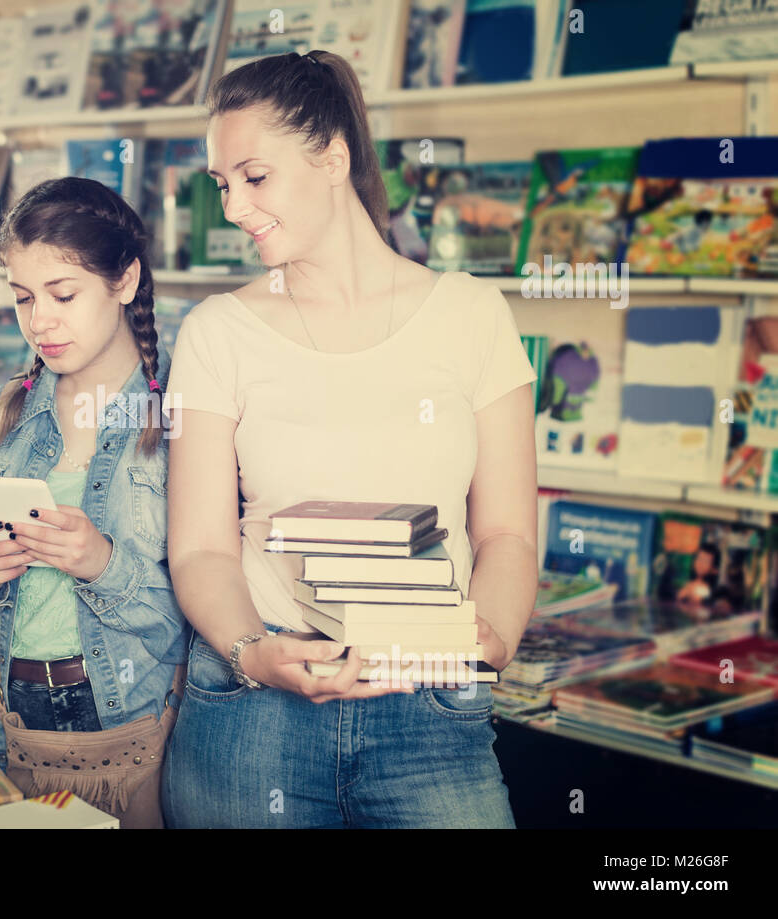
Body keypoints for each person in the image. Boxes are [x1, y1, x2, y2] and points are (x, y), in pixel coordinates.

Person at [162, 50, 539, 828]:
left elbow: (505, 531)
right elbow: (199, 546)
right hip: (254, 708)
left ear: (332, 156)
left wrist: (490, 637)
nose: (234, 207)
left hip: (428, 705)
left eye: (254, 177)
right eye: (222, 184)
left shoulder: (471, 315)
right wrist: (250, 652)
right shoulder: (217, 332)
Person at [0, 177, 187, 822]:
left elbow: (209, 629)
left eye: (64, 294)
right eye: (23, 298)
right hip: (3, 725)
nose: (41, 321)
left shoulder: (184, 417)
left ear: (125, 280)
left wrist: (102, 563)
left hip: (136, 728)